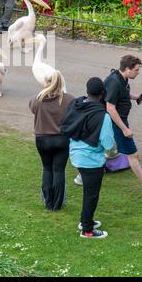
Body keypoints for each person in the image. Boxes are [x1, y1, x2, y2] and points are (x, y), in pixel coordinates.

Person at [61, 77, 115, 239]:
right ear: (102, 94)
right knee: (91, 194)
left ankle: (85, 220)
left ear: (87, 91)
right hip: (91, 160)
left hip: (75, 155)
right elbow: (108, 143)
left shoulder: (76, 104)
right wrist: (113, 151)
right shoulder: (102, 115)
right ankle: (87, 230)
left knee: (88, 192)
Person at [104, 55, 142, 197]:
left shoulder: (121, 78)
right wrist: (124, 129)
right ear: (126, 69)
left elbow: (121, 93)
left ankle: (83, 175)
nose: (138, 72)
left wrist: (135, 97)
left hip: (121, 120)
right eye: (136, 70)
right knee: (132, 154)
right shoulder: (114, 82)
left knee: (109, 148)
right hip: (117, 121)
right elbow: (110, 107)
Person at [29, 70, 74, 211]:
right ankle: (58, 204)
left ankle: (48, 202)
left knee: (47, 168)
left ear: (46, 82)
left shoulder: (37, 99)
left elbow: (33, 109)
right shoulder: (69, 100)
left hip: (42, 139)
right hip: (62, 139)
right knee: (59, 170)